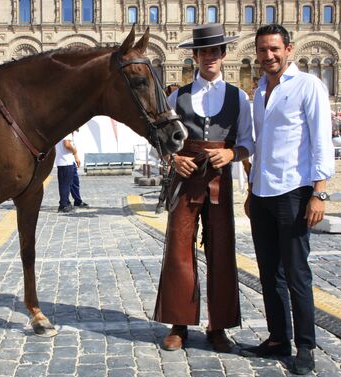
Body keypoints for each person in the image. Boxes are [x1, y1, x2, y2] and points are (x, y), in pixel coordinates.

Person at [154, 23, 254, 353]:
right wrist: (172, 160)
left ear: (224, 55)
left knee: (222, 251)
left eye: (215, 51)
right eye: (203, 52)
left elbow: (247, 144)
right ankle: (179, 323)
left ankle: (219, 325)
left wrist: (231, 153)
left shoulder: (239, 97)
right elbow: (161, 140)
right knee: (179, 249)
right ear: (195, 56)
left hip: (219, 180)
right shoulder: (176, 96)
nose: (209, 57)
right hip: (185, 180)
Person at [243, 24, 335, 375]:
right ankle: (278, 337)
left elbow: (321, 141)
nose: (268, 56)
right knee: (269, 272)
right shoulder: (260, 90)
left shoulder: (308, 85)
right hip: (263, 192)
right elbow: (261, 146)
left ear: (288, 49)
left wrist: (319, 192)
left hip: (294, 192)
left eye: (273, 49)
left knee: (297, 272)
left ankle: (306, 346)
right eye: (262, 50)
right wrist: (251, 190)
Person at [55, 133, 88, 213]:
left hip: (67, 161)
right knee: (65, 185)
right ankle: (63, 205)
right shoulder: (66, 130)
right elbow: (66, 144)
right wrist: (75, 151)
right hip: (65, 162)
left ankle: (68, 202)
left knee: (70, 183)